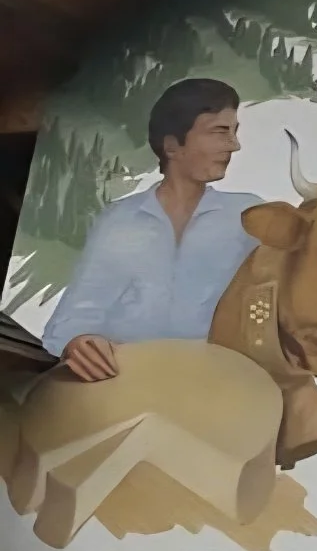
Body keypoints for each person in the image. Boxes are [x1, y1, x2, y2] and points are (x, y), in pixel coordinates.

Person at [44, 77, 260, 383]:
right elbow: (73, 316)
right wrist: (77, 342)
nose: (234, 145)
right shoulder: (120, 219)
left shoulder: (247, 215)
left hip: (214, 382)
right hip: (125, 380)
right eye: (219, 132)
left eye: (234, 132)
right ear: (172, 145)